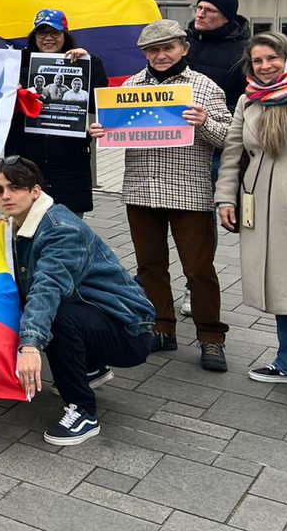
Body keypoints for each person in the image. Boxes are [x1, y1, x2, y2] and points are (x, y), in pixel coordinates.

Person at [0, 157, 154, 446]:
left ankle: (83, 410)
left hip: (131, 331)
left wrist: (30, 345)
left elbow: (47, 288)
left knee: (57, 317)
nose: (5, 196)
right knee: (48, 310)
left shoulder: (61, 229)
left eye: (14, 188)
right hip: (100, 315)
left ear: (35, 191)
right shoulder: (21, 223)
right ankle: (91, 367)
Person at [89, 19, 232, 371]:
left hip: (190, 191)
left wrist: (206, 124)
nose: (161, 55)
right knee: (150, 267)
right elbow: (116, 131)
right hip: (141, 189)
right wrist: (100, 130)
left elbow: (230, 138)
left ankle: (211, 337)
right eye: (153, 50)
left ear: (184, 47)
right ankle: (162, 327)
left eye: (168, 47)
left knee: (199, 269)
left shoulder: (204, 87)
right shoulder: (131, 87)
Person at [215, 32, 287, 383]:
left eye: (272, 58)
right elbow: (232, 153)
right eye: (258, 61)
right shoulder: (248, 101)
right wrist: (225, 197)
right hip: (260, 208)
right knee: (283, 288)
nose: (265, 66)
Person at [3, 9, 108, 217]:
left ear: (65, 35)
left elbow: (98, 103)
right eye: (42, 33)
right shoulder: (17, 62)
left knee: (69, 231)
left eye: (55, 33)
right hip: (25, 158)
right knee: (24, 230)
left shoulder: (83, 61)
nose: (48, 38)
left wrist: (88, 64)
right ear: (33, 36)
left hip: (69, 161)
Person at [186, 0, 249, 114]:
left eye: (209, 10)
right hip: (178, 123)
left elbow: (248, 99)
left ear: (226, 17)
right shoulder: (182, 41)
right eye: (199, 8)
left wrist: (213, 116)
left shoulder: (244, 53)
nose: (200, 14)